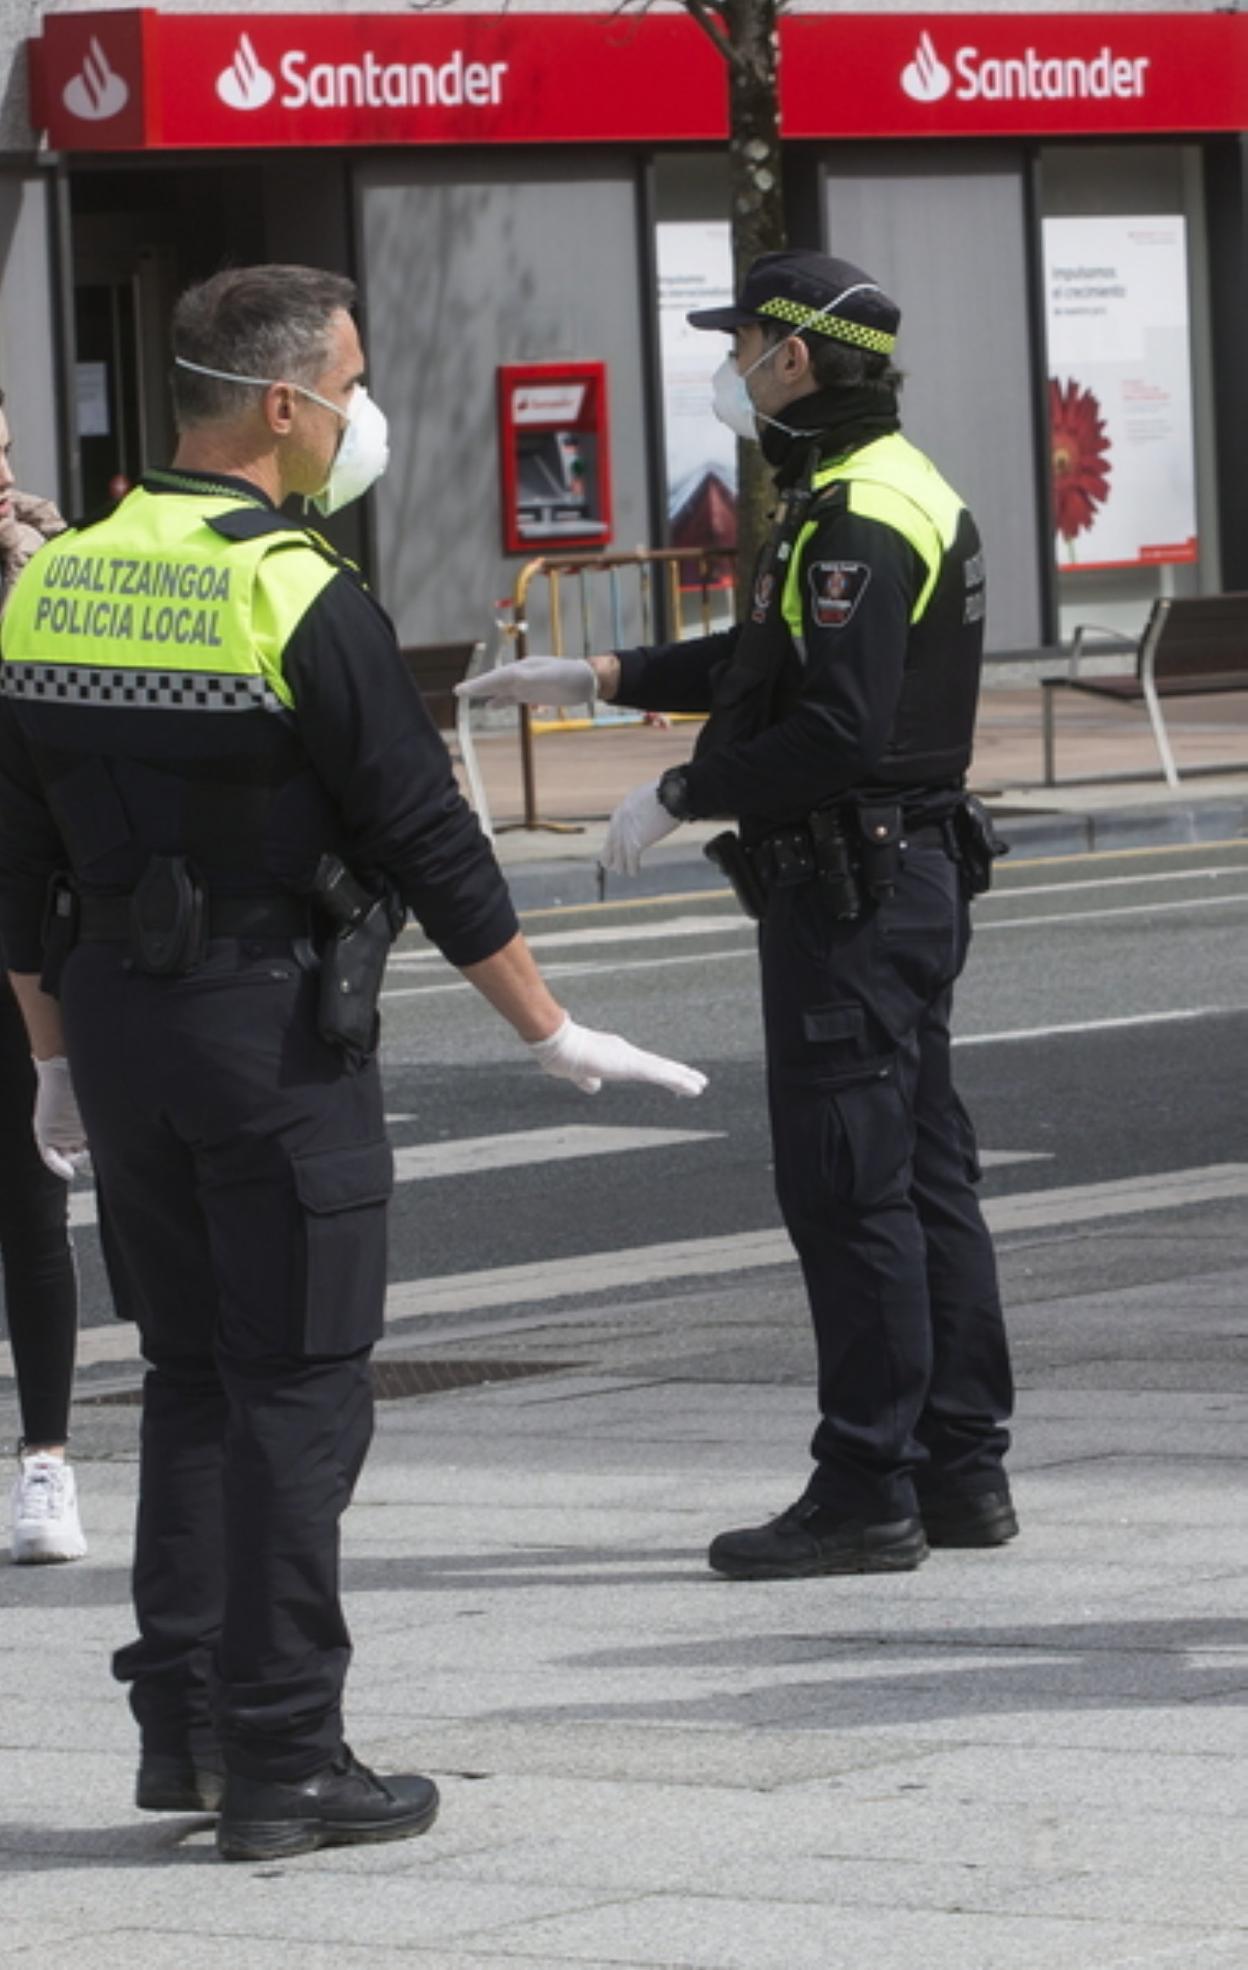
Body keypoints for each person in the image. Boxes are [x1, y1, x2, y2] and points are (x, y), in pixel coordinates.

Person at [0, 264, 705, 1861]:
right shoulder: (299, 593)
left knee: (185, 1378)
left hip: (114, 1024)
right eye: (352, 381)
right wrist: (548, 1022)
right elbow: (426, 833)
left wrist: (50, 1063)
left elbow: (13, 860)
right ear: (280, 403)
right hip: (265, 1031)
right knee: (302, 1387)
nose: (359, 414)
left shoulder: (51, 581)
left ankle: (178, 1734)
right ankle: (284, 1759)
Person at [458, 249, 1015, 1582]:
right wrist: (600, 670)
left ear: (797, 357)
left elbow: (830, 725)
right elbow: (766, 659)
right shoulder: (878, 489)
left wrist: (682, 786)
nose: (732, 363)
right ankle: (959, 1464)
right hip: (898, 873)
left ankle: (865, 1483)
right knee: (924, 1172)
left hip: (854, 884)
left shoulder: (858, 516)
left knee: (849, 1185)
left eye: (746, 340)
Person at [0, 392, 86, 1566]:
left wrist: (48, 577)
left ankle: (48, 1464)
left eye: (7, 447)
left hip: (18, 941)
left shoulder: (46, 572)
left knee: (31, 1200)